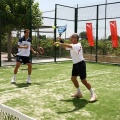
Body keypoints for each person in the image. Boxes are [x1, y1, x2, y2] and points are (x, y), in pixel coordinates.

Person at [54, 33, 97, 102]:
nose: (70, 38)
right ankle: (79, 93)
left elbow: (68, 46)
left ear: (76, 38)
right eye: (70, 37)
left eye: (72, 37)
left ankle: (93, 94)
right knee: (73, 78)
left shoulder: (77, 45)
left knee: (84, 81)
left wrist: (59, 43)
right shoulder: (73, 45)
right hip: (75, 64)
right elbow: (66, 47)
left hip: (81, 64)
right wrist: (61, 41)